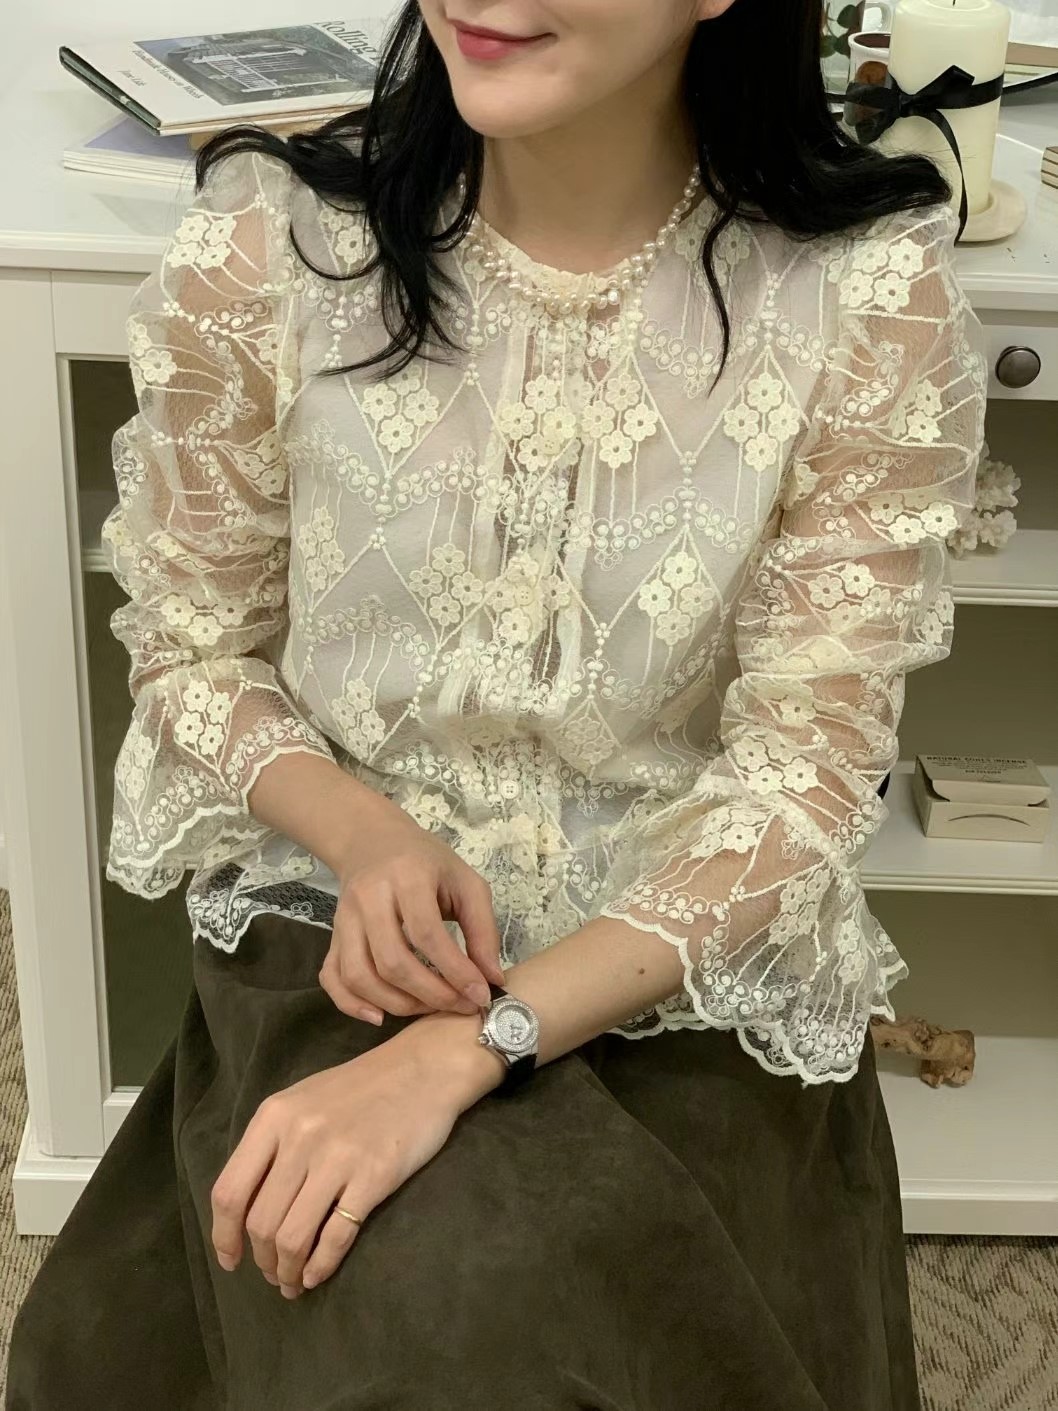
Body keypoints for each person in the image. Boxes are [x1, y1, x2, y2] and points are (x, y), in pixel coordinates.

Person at [6, 0, 987, 1407]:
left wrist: (476, 1047)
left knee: (537, 1322)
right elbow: (190, 651)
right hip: (350, 943)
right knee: (424, 1315)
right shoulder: (276, 243)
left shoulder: (860, 295)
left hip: (674, 962)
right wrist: (366, 838)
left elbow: (805, 782)